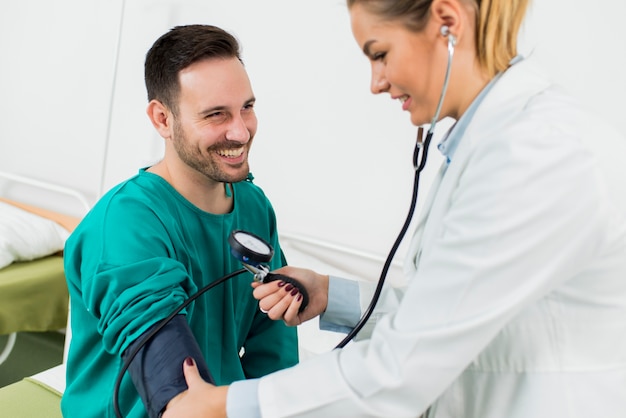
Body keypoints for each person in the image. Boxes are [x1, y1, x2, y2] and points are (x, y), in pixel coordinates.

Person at [163, 1, 626, 417]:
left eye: (379, 53)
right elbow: (448, 313)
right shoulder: (491, 149)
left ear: (447, 22)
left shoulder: (538, 157)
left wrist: (223, 406)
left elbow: (403, 365)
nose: (376, 82)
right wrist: (329, 293)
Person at [61, 24, 299, 418]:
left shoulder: (254, 206)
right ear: (162, 119)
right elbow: (171, 382)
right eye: (216, 114)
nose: (240, 130)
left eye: (247, 107)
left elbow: (273, 344)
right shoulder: (124, 224)